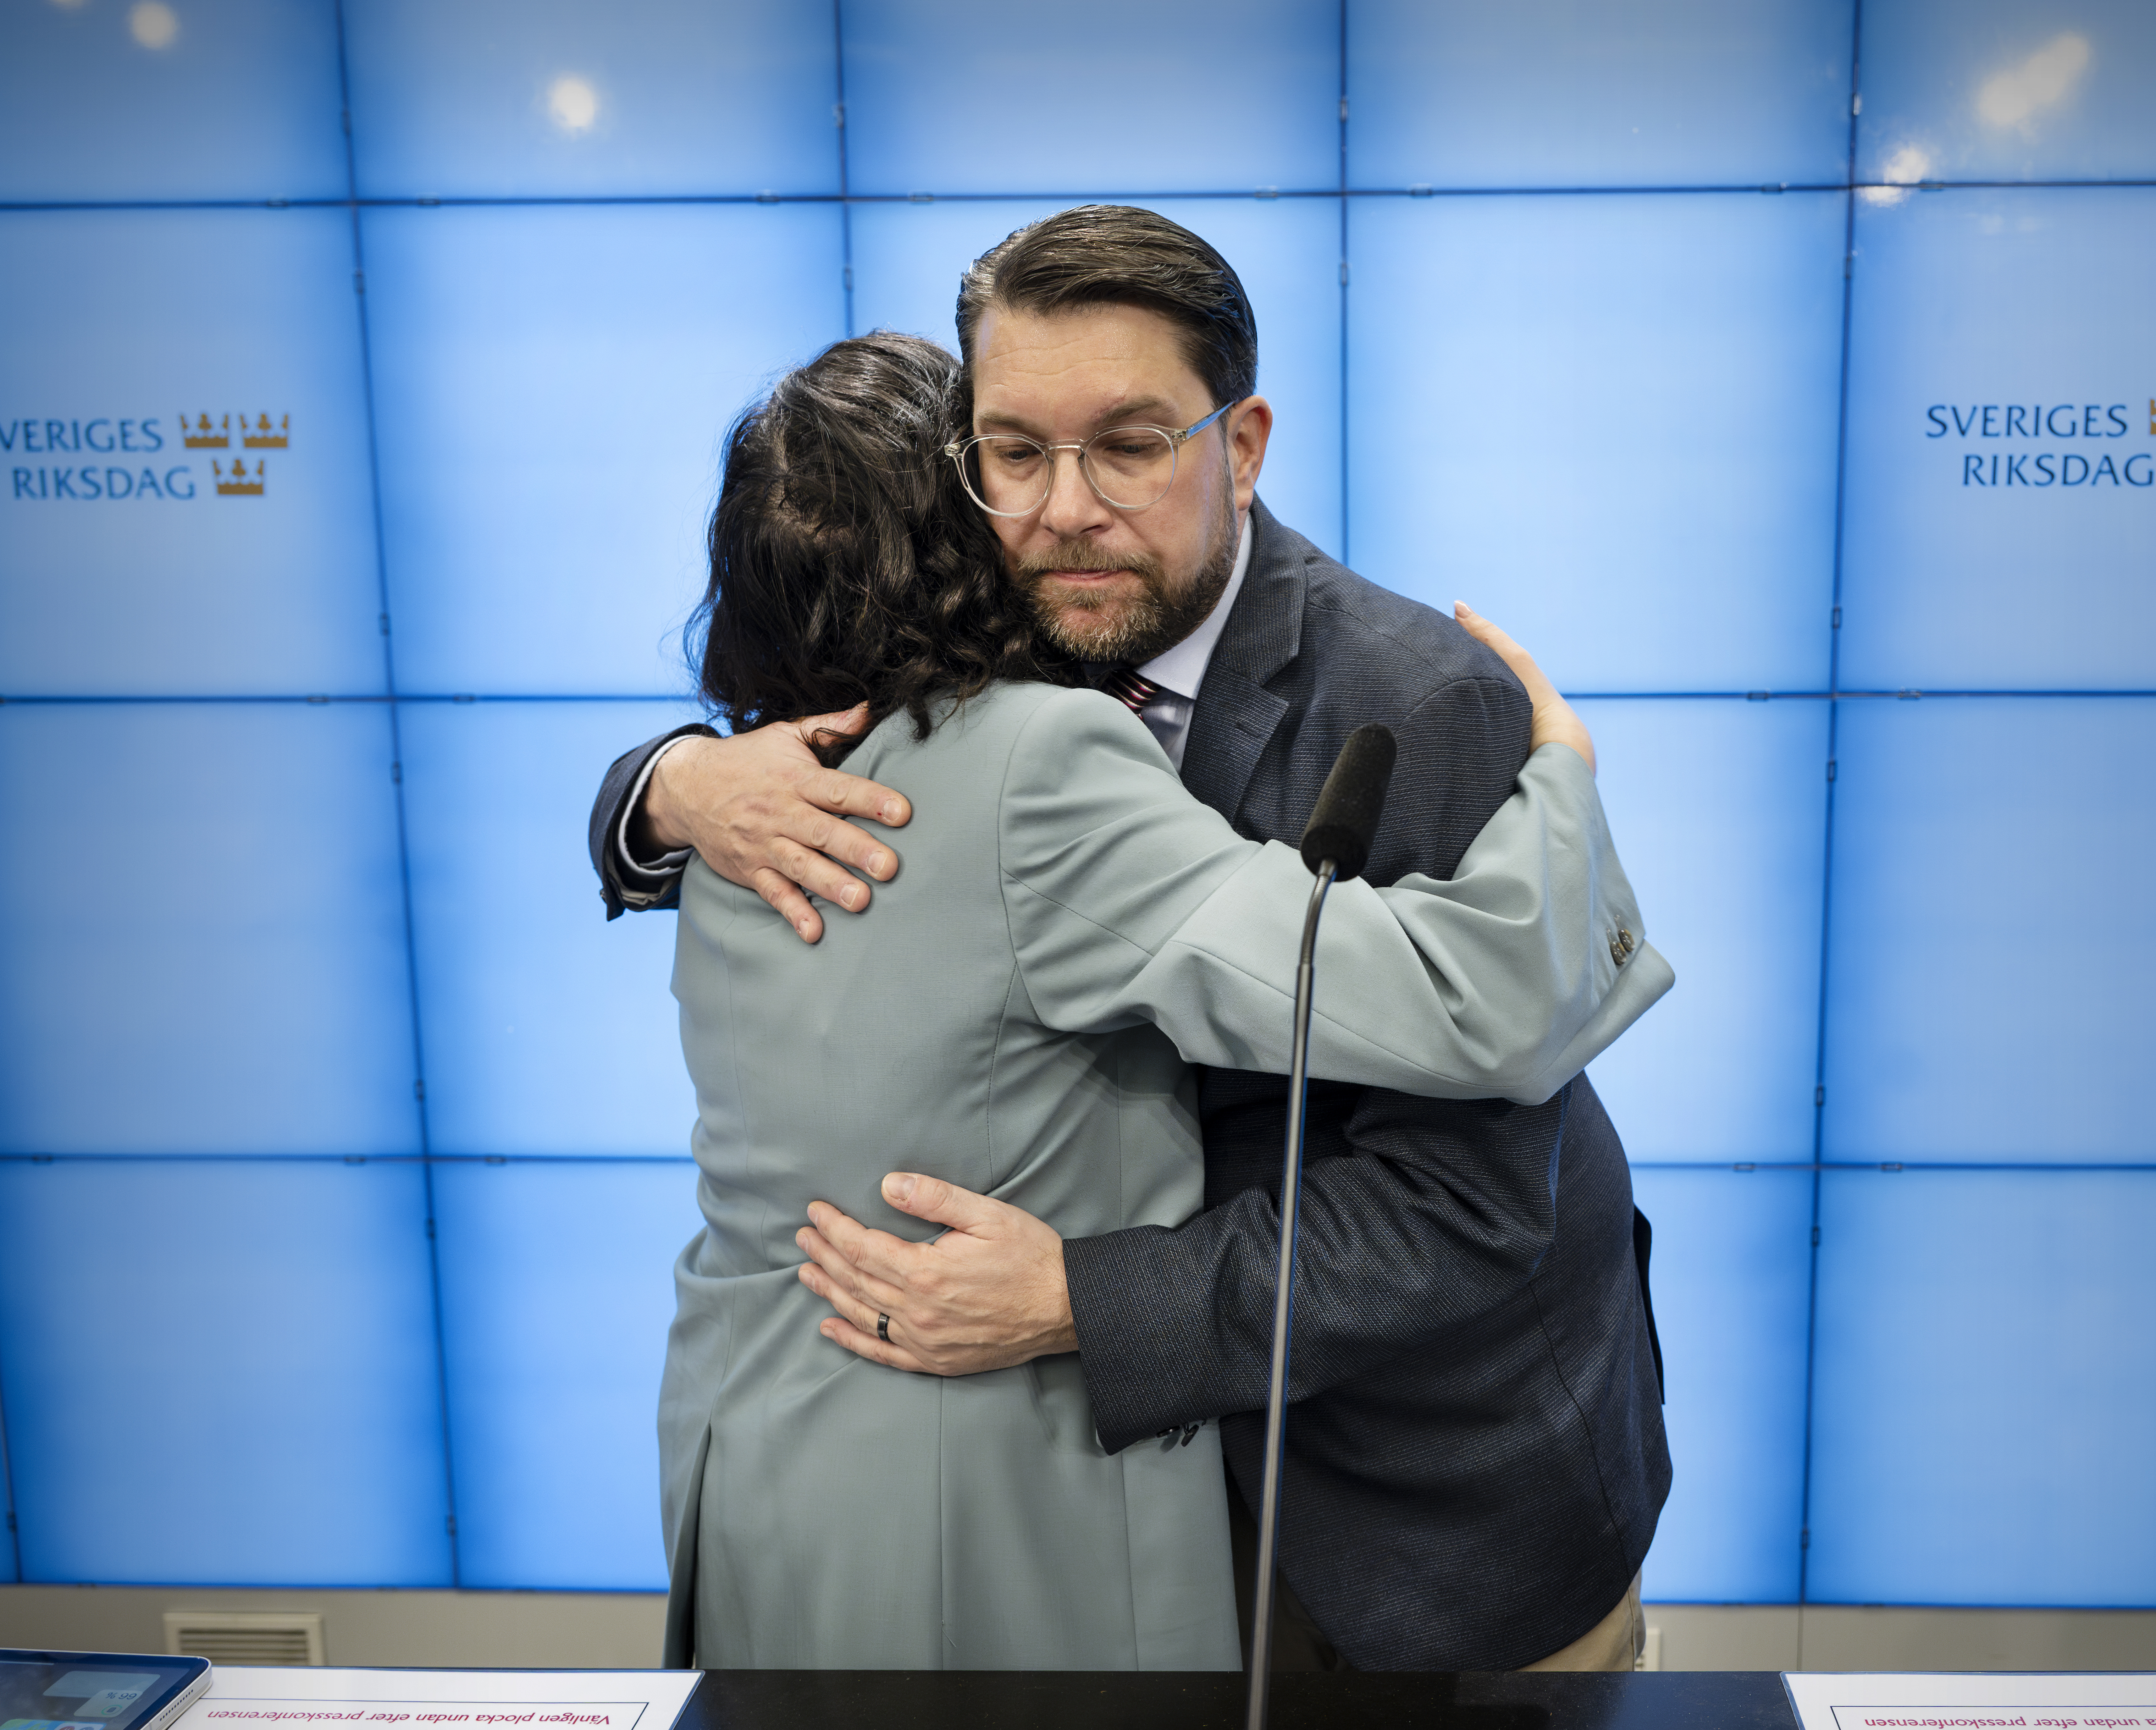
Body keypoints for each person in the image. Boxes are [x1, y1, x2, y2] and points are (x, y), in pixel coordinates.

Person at [590, 206, 1672, 1673]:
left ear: (1241, 444)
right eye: (1016, 449)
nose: (1065, 505)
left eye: (1133, 443)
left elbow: (1471, 1200)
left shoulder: (1417, 698)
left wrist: (1085, 1302)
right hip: (1111, 1500)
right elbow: (850, 782)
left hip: (1406, 1513)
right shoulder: (1019, 624)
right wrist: (665, 788)